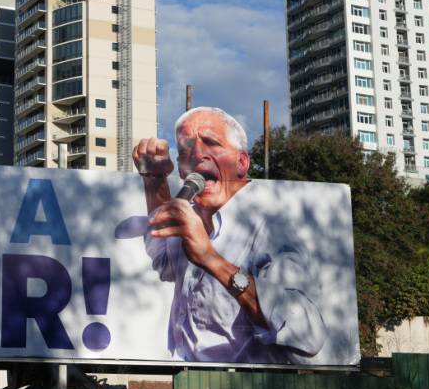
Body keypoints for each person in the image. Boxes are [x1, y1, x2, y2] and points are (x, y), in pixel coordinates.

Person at [132, 106, 326, 364]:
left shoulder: (273, 224)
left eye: (211, 142)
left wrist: (211, 259)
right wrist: (154, 179)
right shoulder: (194, 214)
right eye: (187, 148)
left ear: (242, 163)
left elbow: (307, 335)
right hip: (187, 382)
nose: (198, 154)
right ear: (180, 168)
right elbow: (164, 263)